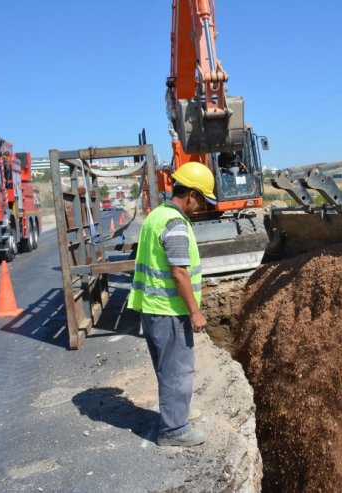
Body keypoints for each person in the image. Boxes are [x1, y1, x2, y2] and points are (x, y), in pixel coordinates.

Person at [127, 161, 216, 447]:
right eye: (202, 199)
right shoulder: (176, 224)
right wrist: (195, 311)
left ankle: (178, 413)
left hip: (154, 308)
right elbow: (179, 272)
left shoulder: (157, 216)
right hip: (169, 310)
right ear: (191, 194)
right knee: (178, 369)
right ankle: (174, 430)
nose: (201, 206)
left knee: (169, 367)